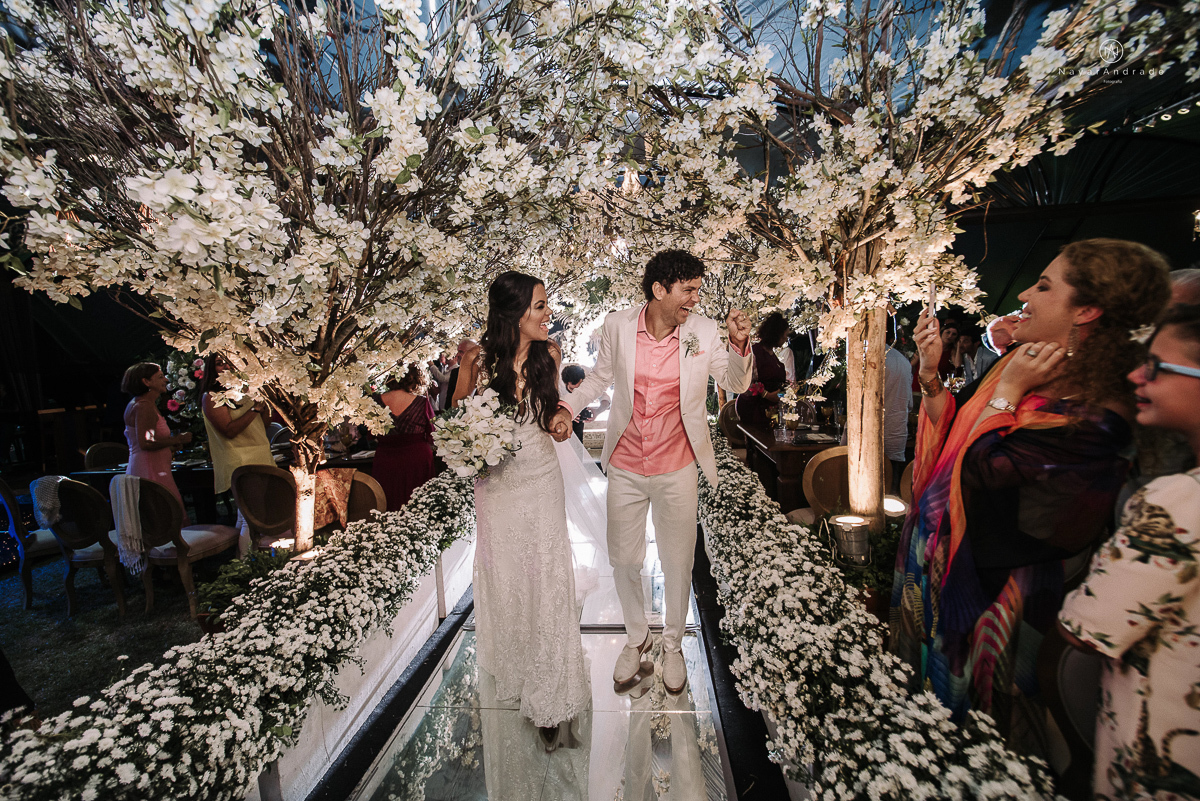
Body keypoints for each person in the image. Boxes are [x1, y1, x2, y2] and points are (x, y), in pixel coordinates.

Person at [890, 238, 1172, 743]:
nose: (1024, 292)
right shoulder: (1016, 367)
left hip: (988, 594)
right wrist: (931, 377)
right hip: (936, 564)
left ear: (1086, 310)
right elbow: (955, 441)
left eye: (1043, 286)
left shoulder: (1097, 416)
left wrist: (1006, 395)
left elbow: (982, 471)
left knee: (972, 737)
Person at [554, 249, 753, 695]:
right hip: (625, 463)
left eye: (698, 291)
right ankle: (637, 636)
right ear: (659, 290)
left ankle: (673, 645)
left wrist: (739, 345)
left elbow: (734, 382)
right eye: (688, 291)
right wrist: (566, 406)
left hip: (678, 465)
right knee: (623, 558)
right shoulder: (617, 326)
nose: (695, 301)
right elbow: (599, 379)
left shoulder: (702, 331)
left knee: (678, 560)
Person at [1058, 303, 1200, 800]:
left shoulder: (1177, 502)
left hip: (1164, 752)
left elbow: (1084, 628)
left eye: (1158, 366)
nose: (1137, 374)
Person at [453, 271, 589, 749]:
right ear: (513, 313)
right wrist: (468, 436)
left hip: (540, 478)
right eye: (538, 305)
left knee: (546, 576)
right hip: (497, 486)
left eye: (546, 303)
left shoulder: (548, 354)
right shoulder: (478, 360)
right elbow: (457, 417)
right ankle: (516, 666)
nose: (547, 312)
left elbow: (552, 409)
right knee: (507, 573)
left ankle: (551, 692)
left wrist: (559, 421)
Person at [200, 354, 274, 553]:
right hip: (240, 459)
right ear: (211, 369)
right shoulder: (212, 396)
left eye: (228, 361)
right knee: (250, 516)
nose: (226, 366)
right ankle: (247, 566)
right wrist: (255, 410)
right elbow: (229, 430)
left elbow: (263, 425)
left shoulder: (246, 391)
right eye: (219, 363)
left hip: (260, 454)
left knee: (258, 515)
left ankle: (253, 561)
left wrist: (265, 406)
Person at [121, 362, 192, 524]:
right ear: (146, 382)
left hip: (154, 467)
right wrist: (177, 439)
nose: (166, 380)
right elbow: (147, 442)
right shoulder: (143, 406)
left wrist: (169, 444)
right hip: (150, 470)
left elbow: (150, 438)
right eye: (160, 377)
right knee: (166, 520)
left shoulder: (144, 404)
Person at [374, 363, 436, 511]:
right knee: (418, 506)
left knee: (387, 505)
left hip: (386, 459)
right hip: (416, 459)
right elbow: (433, 432)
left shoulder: (376, 401)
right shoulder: (421, 401)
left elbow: (371, 433)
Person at [735, 312, 788, 429]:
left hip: (770, 411)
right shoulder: (754, 353)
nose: (786, 338)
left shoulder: (773, 356)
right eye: (784, 335)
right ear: (776, 334)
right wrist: (767, 395)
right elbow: (744, 383)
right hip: (753, 410)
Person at [884, 318, 913, 493]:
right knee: (891, 490)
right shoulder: (902, 360)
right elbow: (908, 403)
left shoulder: (865, 357)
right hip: (895, 433)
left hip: (871, 434)